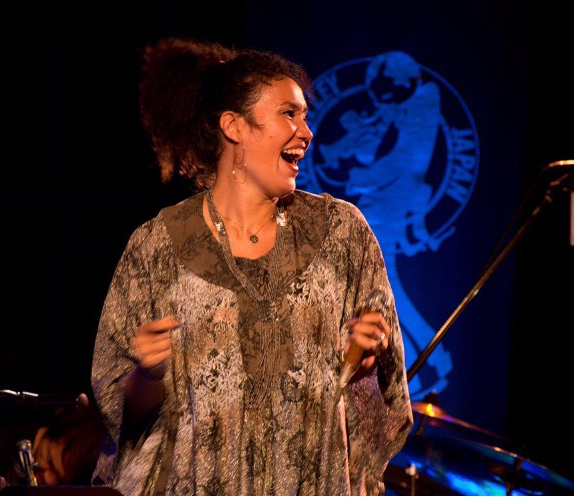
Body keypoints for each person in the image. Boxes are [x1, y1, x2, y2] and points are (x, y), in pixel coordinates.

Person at [90, 37, 413, 496]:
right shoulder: (157, 248)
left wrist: (358, 366)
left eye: (305, 115)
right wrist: (147, 375)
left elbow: (379, 403)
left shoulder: (342, 234)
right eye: (289, 113)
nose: (307, 132)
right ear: (234, 126)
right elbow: (120, 415)